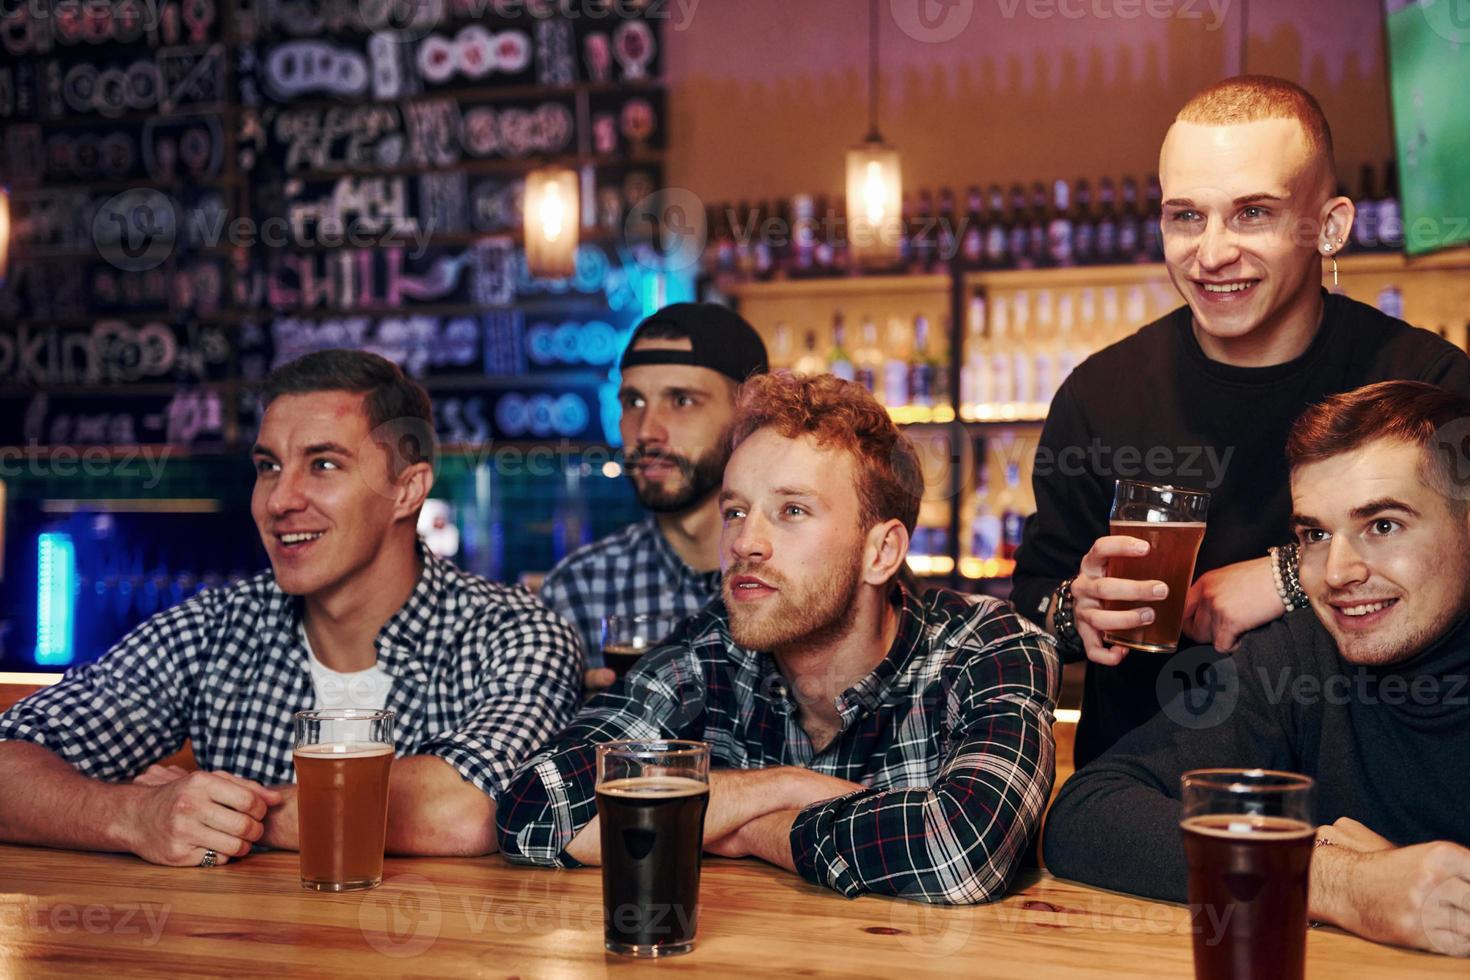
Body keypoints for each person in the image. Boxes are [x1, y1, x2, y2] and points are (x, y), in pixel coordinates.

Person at [1013, 75, 1470, 769]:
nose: (1212, 252)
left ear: (1331, 227)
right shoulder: (1099, 394)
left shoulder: (1426, 383)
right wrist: (1077, 611)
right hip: (1142, 804)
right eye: (1185, 216)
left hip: (1366, 800)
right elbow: (1035, 598)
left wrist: (1289, 575)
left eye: (1253, 213)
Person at [0, 351, 581, 867]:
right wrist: (134, 815)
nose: (280, 500)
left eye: (323, 464)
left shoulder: (516, 633)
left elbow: (468, 808)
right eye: (268, 466)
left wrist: (231, 812)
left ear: (407, 491)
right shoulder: (213, 630)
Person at [497, 373, 1059, 904]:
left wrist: (743, 832)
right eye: (736, 511)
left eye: (791, 510)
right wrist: (784, 786)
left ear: (881, 552)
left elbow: (959, 853)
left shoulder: (989, 645)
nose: (746, 542)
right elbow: (532, 812)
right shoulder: (708, 651)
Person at [1043, 381, 1470, 958]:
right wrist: (1342, 880)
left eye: (1384, 525)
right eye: (1316, 535)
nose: (1338, 572)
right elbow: (1086, 815)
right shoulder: (1299, 655)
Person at [541, 302, 768, 691]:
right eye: (634, 402)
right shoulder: (577, 589)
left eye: (681, 401)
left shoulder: (804, 573)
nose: (647, 431)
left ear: (748, 415)